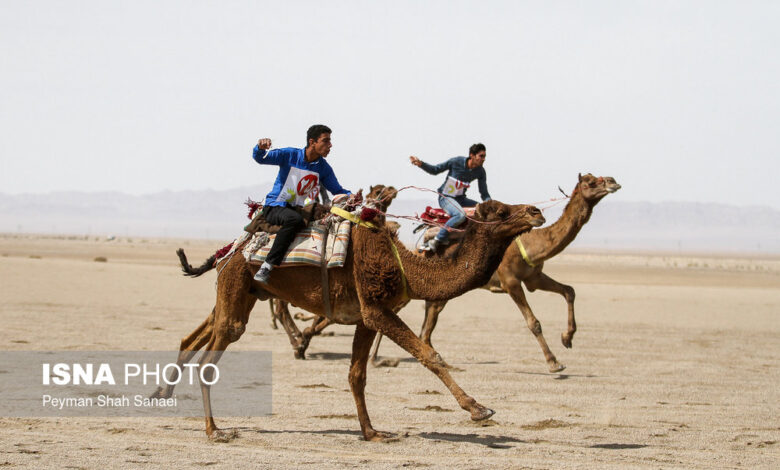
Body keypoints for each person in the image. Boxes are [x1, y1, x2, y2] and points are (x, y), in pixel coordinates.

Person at [252, 124, 351, 283]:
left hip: (300, 209)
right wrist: (260, 147)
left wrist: (352, 196)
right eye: (325, 141)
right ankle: (267, 266)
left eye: (330, 141)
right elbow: (260, 158)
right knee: (294, 220)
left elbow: (337, 190)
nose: (330, 145)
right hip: (276, 207)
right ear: (312, 142)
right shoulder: (289, 155)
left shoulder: (324, 168)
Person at [410, 143, 491, 251]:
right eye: (481, 156)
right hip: (446, 197)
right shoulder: (456, 162)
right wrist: (420, 164)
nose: (483, 159)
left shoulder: (480, 171)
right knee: (460, 215)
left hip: (461, 199)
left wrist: (491, 205)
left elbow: (484, 194)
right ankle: (437, 239)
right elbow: (435, 170)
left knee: (483, 210)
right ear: (472, 155)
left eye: (484, 156)